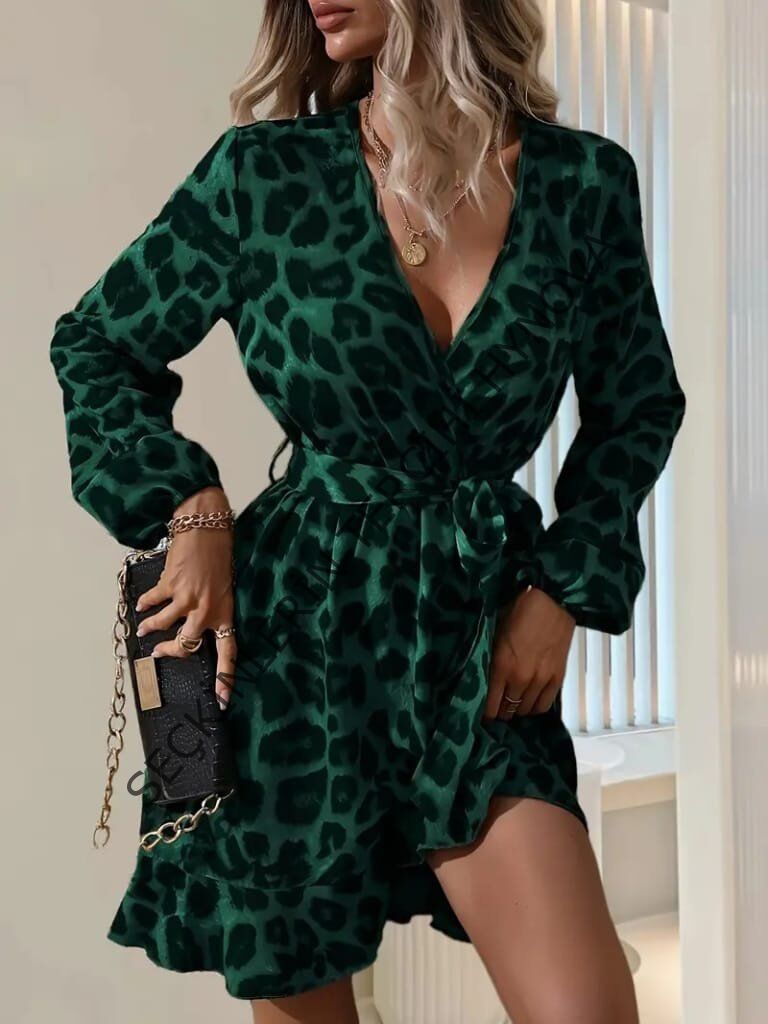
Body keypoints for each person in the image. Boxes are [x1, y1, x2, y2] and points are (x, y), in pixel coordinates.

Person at [48, 2, 686, 1022]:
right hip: (289, 646)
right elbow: (98, 343)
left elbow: (638, 405)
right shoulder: (262, 177)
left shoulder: (582, 186)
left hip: (477, 638)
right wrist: (187, 502)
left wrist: (564, 589)